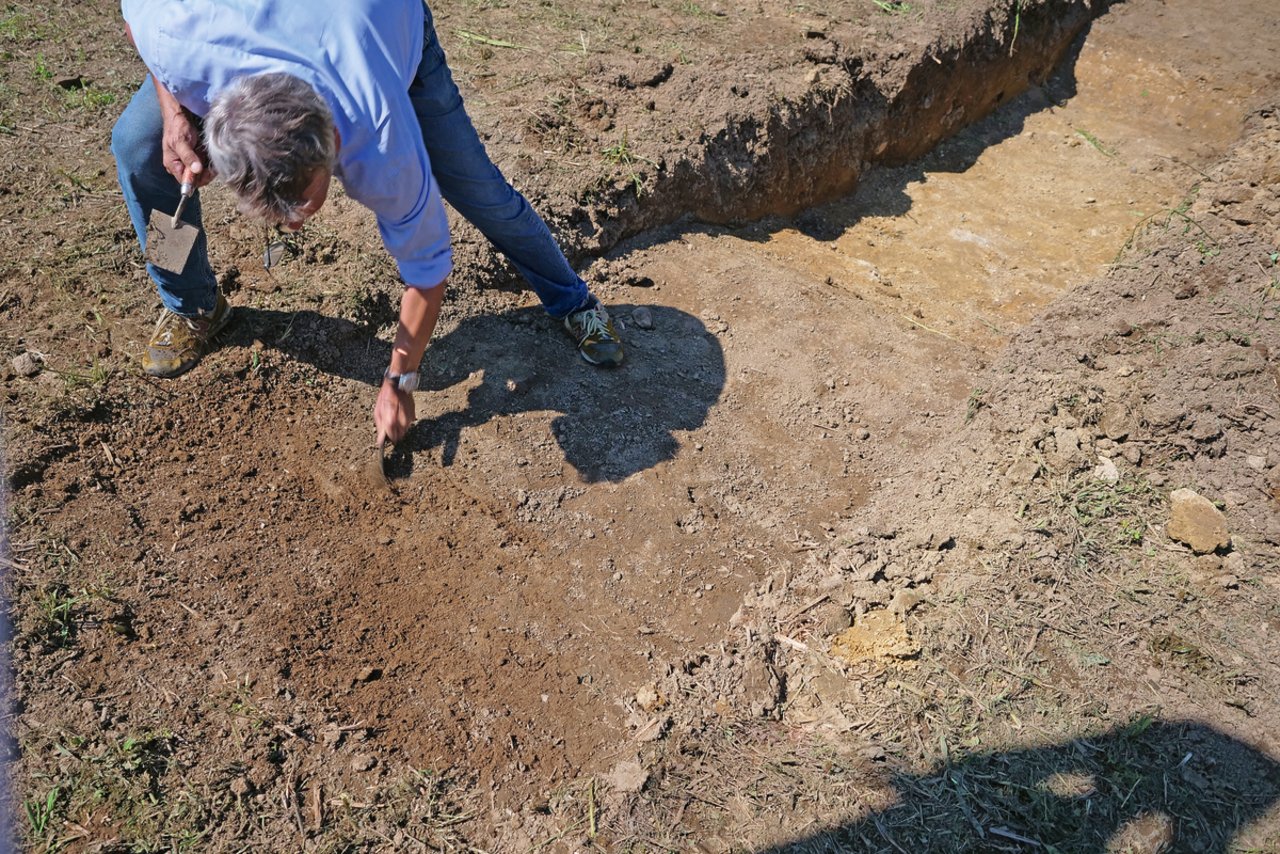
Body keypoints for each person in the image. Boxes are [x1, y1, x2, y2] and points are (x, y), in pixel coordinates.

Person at [112, 0, 624, 446]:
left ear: (332, 142)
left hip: (382, 21)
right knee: (138, 150)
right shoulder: (177, 37)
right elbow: (137, 16)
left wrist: (400, 380)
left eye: (303, 203)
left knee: (480, 192)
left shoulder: (377, 135)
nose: (293, 228)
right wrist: (174, 111)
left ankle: (573, 300)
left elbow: (427, 268)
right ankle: (193, 306)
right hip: (249, 29)